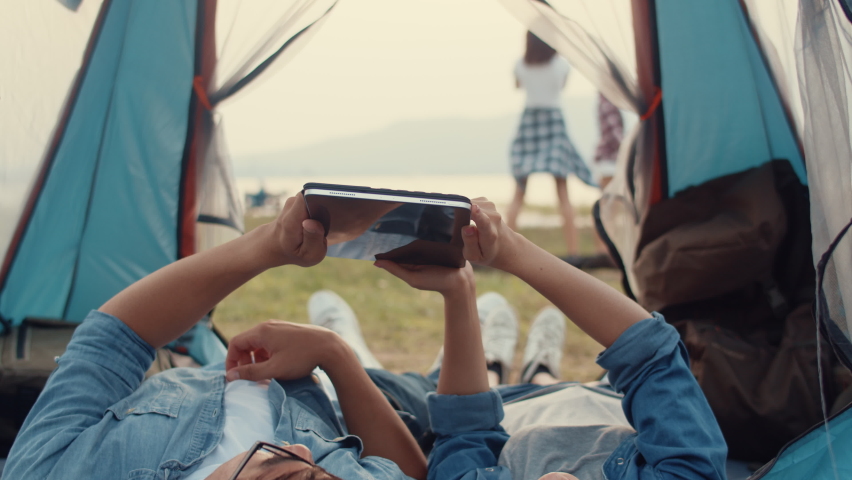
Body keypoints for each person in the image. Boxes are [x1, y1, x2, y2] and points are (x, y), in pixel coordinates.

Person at [3, 192, 428, 480]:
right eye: (321, 473)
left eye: (275, 469)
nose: (305, 454)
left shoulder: (58, 471)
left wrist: (269, 245)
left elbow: (113, 339)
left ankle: (338, 324)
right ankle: (342, 330)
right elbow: (407, 472)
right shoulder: (314, 460)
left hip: (248, 372)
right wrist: (334, 354)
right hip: (356, 398)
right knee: (412, 386)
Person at [382, 199, 728, 480]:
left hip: (515, 403)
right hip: (608, 396)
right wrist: (511, 250)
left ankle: (513, 363)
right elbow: (649, 353)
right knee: (555, 380)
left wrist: (459, 290)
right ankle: (541, 364)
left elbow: (464, 428)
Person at [506, 31, 595, 256]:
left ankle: (503, 248)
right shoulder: (560, 65)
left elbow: (518, 85)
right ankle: (573, 251)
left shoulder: (520, 65)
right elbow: (562, 86)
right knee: (563, 190)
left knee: (519, 190)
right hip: (553, 120)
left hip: (530, 121)